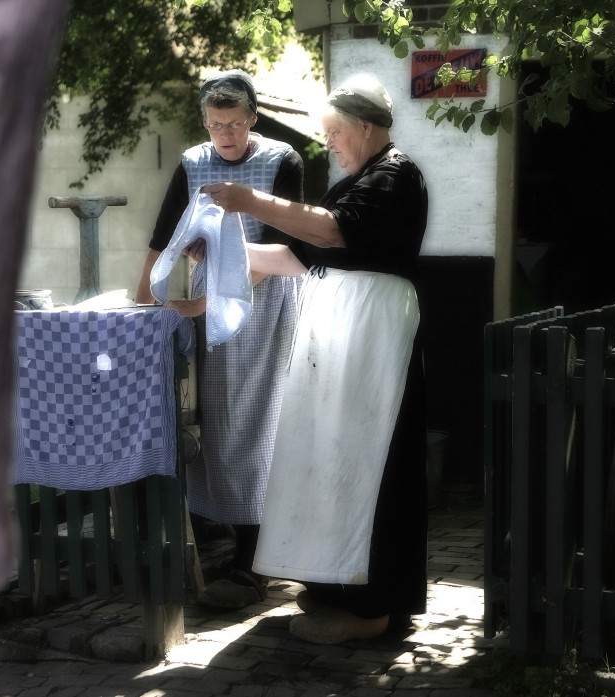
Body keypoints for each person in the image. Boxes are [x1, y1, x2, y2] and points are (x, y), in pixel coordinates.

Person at [201, 73, 429, 644]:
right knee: (331, 451)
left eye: (333, 134)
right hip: (345, 327)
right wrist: (216, 257)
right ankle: (338, 588)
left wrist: (250, 200)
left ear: (366, 128)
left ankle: (375, 607)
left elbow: (329, 235)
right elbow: (293, 255)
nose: (327, 143)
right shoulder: (356, 180)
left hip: (374, 331)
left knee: (368, 456)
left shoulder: (394, 176)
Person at [134, 69, 305, 609]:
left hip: (266, 296)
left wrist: (205, 303)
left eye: (233, 124)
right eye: (214, 125)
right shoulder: (193, 162)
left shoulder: (282, 160)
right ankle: (229, 537)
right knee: (215, 418)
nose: (224, 135)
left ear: (252, 118)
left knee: (257, 419)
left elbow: (282, 248)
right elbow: (163, 238)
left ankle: (255, 558)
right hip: (210, 301)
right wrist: (142, 305)